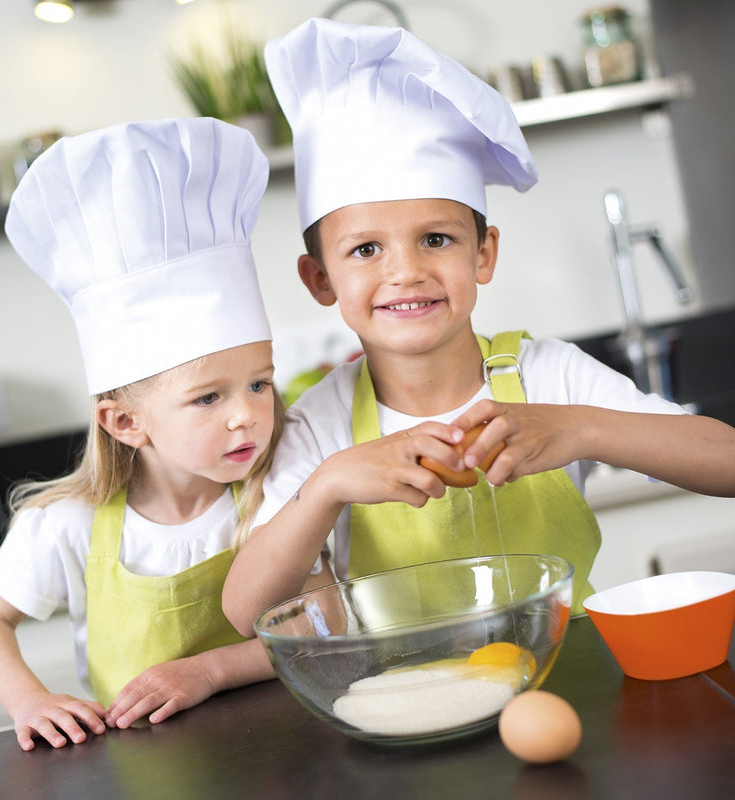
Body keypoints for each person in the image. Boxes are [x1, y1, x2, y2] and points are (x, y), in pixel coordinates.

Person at [222, 18, 735, 635]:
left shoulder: (548, 375)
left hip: (575, 677)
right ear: (320, 279)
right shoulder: (320, 427)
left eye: (436, 239)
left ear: (483, 254)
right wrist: (328, 486)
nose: (406, 272)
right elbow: (248, 613)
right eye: (365, 250)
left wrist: (582, 428)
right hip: (408, 700)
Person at [0, 118, 284, 751]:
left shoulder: (276, 492)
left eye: (259, 383)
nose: (245, 414)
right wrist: (29, 699)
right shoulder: (70, 523)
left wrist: (211, 670)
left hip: (281, 754)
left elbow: (321, 626)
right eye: (208, 397)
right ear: (127, 422)